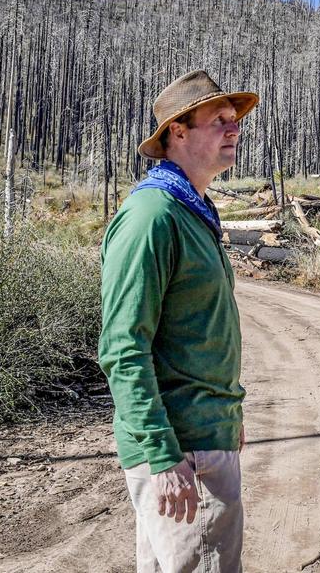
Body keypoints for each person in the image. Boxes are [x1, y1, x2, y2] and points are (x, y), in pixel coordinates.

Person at [99, 69, 258, 572]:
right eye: (219, 120)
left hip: (203, 439)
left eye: (235, 121)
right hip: (183, 450)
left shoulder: (191, 209)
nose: (233, 129)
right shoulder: (153, 216)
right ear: (178, 131)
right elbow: (123, 346)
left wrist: (227, 415)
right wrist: (162, 453)